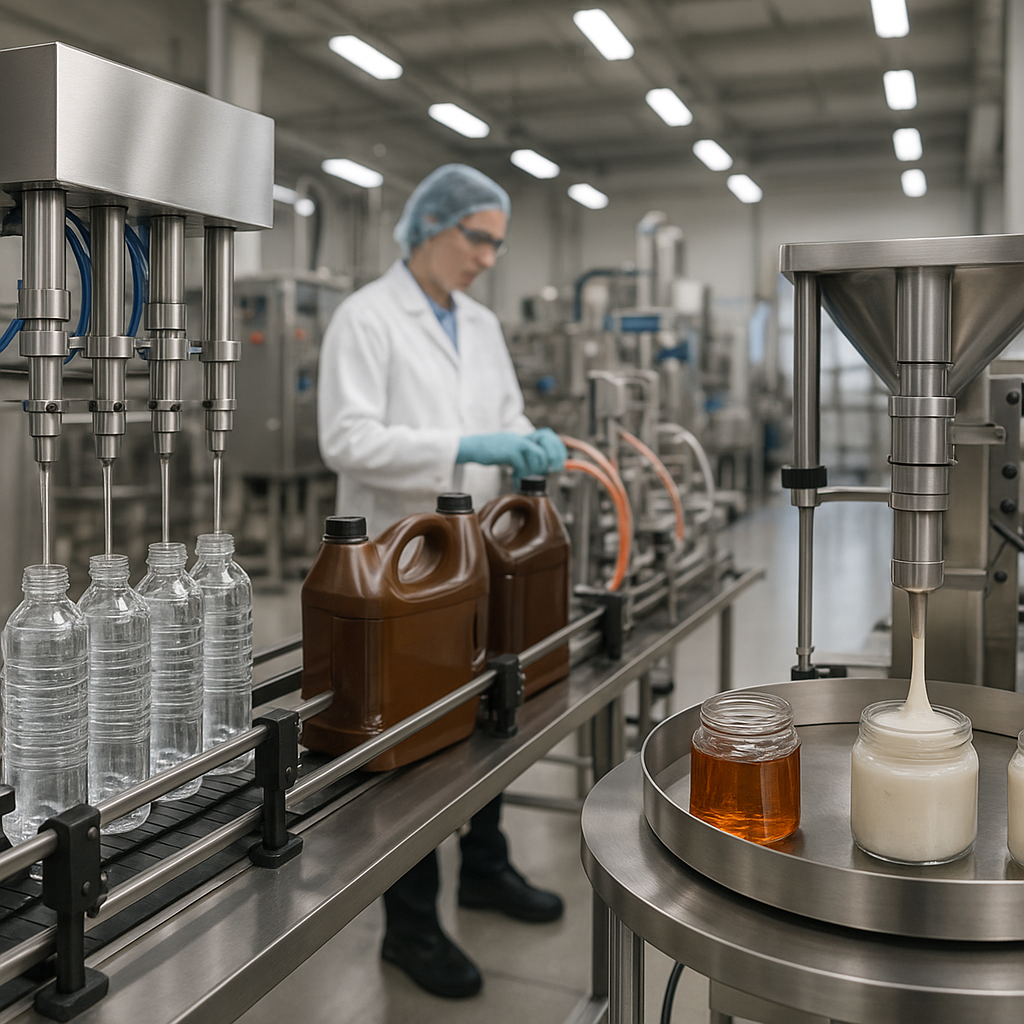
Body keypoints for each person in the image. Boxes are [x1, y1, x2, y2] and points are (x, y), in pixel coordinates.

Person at [317, 164, 568, 1000]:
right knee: (415, 741)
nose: (491, 257)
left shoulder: (483, 324)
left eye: (499, 242)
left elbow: (502, 415)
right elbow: (349, 440)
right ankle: (411, 926)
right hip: (402, 563)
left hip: (480, 551)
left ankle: (486, 870)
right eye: (480, 238)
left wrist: (528, 440)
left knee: (492, 711)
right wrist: (472, 446)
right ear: (430, 226)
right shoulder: (366, 317)